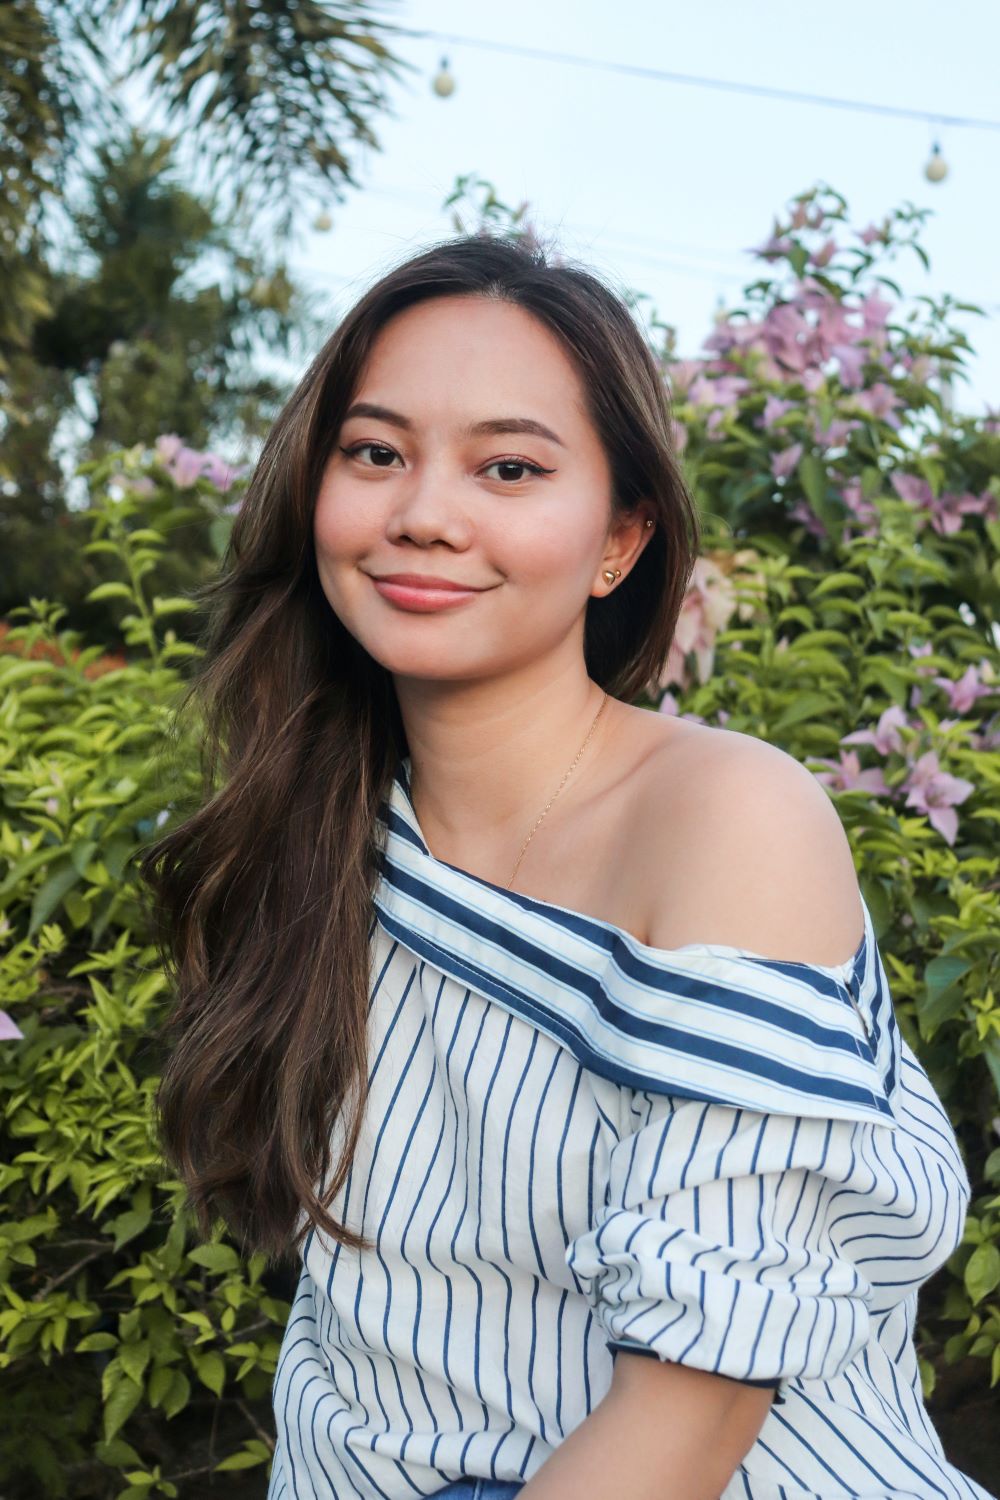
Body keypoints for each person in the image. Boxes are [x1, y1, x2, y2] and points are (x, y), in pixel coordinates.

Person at [140, 233, 995, 1500]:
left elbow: (693, 1406)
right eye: (375, 453)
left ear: (620, 538)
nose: (424, 513)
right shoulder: (325, 821)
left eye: (509, 467)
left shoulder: (726, 816)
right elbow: (367, 1330)